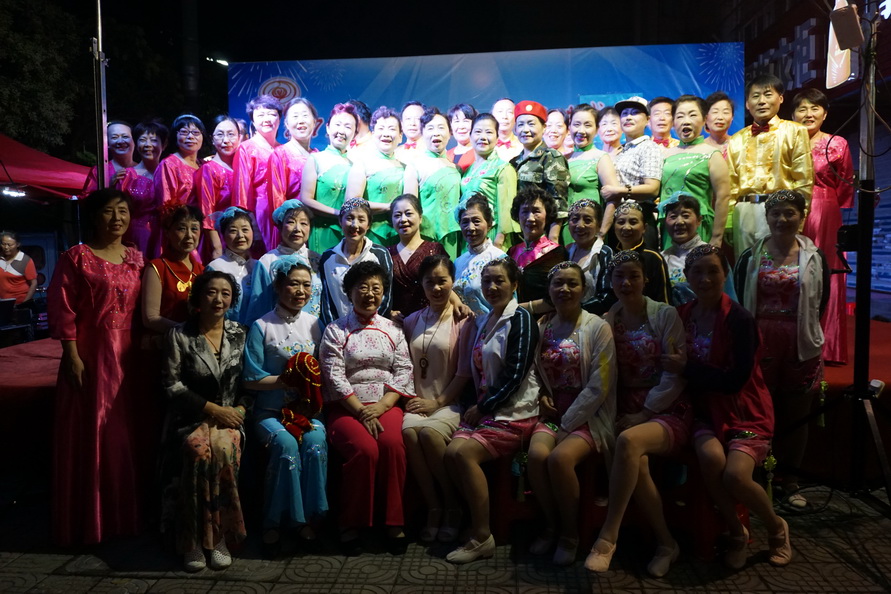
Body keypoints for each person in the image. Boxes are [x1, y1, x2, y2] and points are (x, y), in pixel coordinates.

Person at [676, 244, 792, 569]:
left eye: (713, 270)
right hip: (704, 412)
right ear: (686, 277)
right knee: (710, 457)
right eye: (697, 272)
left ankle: (776, 528)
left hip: (743, 410)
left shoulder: (739, 319)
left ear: (724, 274)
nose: (705, 278)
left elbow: (735, 380)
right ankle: (737, 532)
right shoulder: (682, 315)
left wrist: (686, 368)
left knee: (736, 476)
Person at [48, 188, 145, 545]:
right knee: (95, 432)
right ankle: (92, 520)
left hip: (130, 357)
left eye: (123, 211)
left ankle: (125, 515)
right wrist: (71, 355)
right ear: (94, 216)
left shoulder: (136, 258)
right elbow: (62, 310)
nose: (117, 218)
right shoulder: (76, 257)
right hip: (92, 353)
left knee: (126, 435)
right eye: (108, 211)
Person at [585, 250, 690, 577]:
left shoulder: (665, 315)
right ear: (610, 281)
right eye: (619, 277)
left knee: (629, 441)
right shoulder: (608, 319)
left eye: (634, 276)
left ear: (646, 279)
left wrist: (645, 413)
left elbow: (674, 375)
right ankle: (666, 543)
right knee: (636, 458)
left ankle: (608, 536)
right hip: (624, 407)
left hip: (667, 407)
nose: (626, 283)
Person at [734, 190, 828, 510]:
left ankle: (791, 480)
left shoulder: (815, 256)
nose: (782, 219)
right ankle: (758, 478)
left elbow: (822, 301)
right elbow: (740, 300)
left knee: (796, 414)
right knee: (761, 413)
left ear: (802, 216)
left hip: (799, 342)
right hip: (761, 342)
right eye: (775, 213)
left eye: (789, 213)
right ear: (767, 217)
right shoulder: (750, 255)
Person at [444, 257, 540, 563]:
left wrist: (483, 406)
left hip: (514, 411)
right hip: (485, 409)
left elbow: (515, 374)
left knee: (465, 455)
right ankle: (476, 516)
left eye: (500, 280)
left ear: (514, 285)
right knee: (450, 453)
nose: (492, 287)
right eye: (487, 281)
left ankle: (482, 536)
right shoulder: (484, 320)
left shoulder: (521, 319)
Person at [320, 261, 415, 554]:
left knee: (392, 446)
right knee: (365, 450)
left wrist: (384, 405)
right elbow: (333, 375)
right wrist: (361, 410)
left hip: (386, 404)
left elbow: (404, 369)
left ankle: (393, 521)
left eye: (376, 288)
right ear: (349, 292)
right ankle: (351, 523)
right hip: (347, 407)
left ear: (384, 293)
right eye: (362, 287)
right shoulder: (335, 330)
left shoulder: (393, 329)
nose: (370, 294)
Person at [527, 261, 617, 566]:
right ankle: (551, 524)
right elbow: (534, 370)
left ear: (584, 289)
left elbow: (600, 384)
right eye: (558, 283)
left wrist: (568, 422)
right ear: (549, 289)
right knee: (536, 456)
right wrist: (541, 394)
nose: (564, 289)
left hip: (588, 415)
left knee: (560, 459)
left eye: (572, 284)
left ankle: (570, 533)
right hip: (553, 412)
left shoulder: (598, 327)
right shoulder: (543, 326)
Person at [161, 271, 249, 571]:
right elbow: (171, 385)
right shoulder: (180, 334)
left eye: (226, 293)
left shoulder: (241, 333)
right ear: (198, 296)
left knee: (224, 450)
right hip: (190, 418)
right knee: (198, 451)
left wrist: (240, 410)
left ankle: (220, 537)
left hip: (230, 418)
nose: (218, 299)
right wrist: (213, 410)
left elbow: (248, 383)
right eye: (211, 292)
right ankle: (192, 541)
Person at [243, 259, 327, 555]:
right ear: (278, 287)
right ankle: (273, 522)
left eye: (306, 285)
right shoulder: (262, 326)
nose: (301, 291)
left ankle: (307, 519)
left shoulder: (315, 324)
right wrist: (286, 380)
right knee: (286, 445)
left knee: (316, 442)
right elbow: (251, 378)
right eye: (293, 284)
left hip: (307, 412)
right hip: (270, 414)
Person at [402, 255, 473, 543]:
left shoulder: (463, 320)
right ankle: (434, 506)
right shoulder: (411, 321)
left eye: (442, 281)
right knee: (409, 432)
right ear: (421, 284)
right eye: (429, 282)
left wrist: (438, 402)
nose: (436, 287)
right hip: (418, 402)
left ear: (453, 282)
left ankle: (453, 505)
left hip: (450, 403)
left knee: (429, 434)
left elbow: (464, 372)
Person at [792, 88, 854, 365]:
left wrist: (831, 209)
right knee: (793, 272)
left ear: (825, 114)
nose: (808, 114)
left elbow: (846, 186)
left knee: (828, 273)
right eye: (802, 109)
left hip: (826, 212)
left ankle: (828, 346)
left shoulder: (837, 144)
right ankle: (792, 342)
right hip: (791, 212)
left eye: (814, 108)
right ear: (793, 115)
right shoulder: (786, 142)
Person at [726, 74, 814, 256]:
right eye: (755, 96)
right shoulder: (736, 139)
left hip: (780, 210)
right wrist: (728, 220)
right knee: (746, 265)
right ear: (747, 104)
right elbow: (731, 184)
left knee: (778, 265)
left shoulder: (795, 131)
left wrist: (799, 220)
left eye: (768, 95)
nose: (762, 101)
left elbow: (804, 180)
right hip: (744, 211)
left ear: (780, 98)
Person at [660, 95, 730, 249]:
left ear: (704, 120)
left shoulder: (712, 154)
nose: (686, 121)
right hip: (670, 228)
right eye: (680, 116)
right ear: (673, 122)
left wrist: (717, 237)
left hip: (699, 225)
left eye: (692, 115)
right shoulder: (665, 155)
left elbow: (723, 197)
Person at [318, 199, 394, 326]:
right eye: (349, 218)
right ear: (340, 221)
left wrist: (368, 328)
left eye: (361, 219)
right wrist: (335, 329)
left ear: (368, 224)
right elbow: (326, 301)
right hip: (337, 331)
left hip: (372, 329)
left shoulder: (380, 254)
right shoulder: (328, 257)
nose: (355, 225)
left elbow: (386, 296)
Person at [601, 97, 663, 250]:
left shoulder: (649, 147)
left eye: (635, 113)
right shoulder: (620, 150)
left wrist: (619, 191)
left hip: (638, 220)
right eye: (624, 113)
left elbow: (653, 188)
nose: (628, 117)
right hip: (618, 220)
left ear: (647, 120)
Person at [247, 199, 322, 322]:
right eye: (291, 222)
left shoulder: (318, 260)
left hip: (313, 328)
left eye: (304, 223)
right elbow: (259, 307)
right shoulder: (267, 262)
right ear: (280, 226)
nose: (297, 229)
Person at [403, 107, 462, 258]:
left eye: (441, 127)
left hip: (452, 236)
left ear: (450, 133)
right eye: (430, 128)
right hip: (424, 235)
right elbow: (409, 206)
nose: (436, 132)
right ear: (422, 133)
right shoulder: (414, 165)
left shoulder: (456, 168)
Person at [300, 102, 359, 254]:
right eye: (337, 124)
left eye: (348, 126)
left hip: (349, 232)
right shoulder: (316, 159)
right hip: (322, 230)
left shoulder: (357, 165)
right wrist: (339, 214)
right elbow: (306, 199)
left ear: (355, 133)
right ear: (327, 128)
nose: (341, 131)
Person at [660, 192, 736, 305]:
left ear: (699, 220)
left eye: (686, 216)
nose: (679, 222)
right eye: (673, 216)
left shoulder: (712, 255)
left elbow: (729, 299)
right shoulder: (662, 258)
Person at [510, 100, 570, 242]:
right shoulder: (513, 162)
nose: (525, 129)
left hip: (543, 234)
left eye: (531, 124)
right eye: (521, 124)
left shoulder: (551, 157)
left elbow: (559, 201)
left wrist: (552, 239)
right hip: (520, 234)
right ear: (515, 129)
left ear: (544, 127)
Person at [345, 106, 405, 246]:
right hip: (369, 233)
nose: (386, 133)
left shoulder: (406, 168)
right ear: (373, 134)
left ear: (400, 136)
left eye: (391, 129)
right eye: (381, 128)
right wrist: (390, 207)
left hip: (400, 233)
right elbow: (352, 202)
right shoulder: (362, 163)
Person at [143, 204, 206, 336]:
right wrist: (188, 333)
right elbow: (150, 318)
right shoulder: (157, 267)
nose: (189, 235)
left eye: (194, 228)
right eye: (181, 228)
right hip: (165, 342)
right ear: (167, 232)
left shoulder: (201, 270)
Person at [268, 98, 322, 248]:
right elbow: (277, 199)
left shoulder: (319, 156)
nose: (301, 121)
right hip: (292, 231)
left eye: (305, 115)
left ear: (315, 122)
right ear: (286, 124)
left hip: (317, 228)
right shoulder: (280, 155)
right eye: (295, 116)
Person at [459, 113, 519, 249]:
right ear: (470, 136)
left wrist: (499, 240)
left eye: (489, 132)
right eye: (478, 132)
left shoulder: (503, 168)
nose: (483, 137)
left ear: (497, 138)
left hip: (492, 237)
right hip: (469, 236)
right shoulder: (468, 170)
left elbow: (507, 209)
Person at [232, 94, 283, 252]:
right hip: (259, 215)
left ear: (280, 119)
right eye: (260, 115)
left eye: (272, 114)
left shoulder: (283, 150)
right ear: (253, 121)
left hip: (283, 215)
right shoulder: (246, 148)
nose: (266, 119)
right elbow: (241, 191)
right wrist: (250, 224)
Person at [386, 194, 448, 322]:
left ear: (420, 218)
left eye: (408, 214)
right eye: (397, 215)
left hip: (431, 321)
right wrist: (388, 312)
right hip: (397, 324)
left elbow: (446, 285)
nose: (403, 219)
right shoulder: (385, 253)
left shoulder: (435, 250)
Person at [566, 104, 620, 243]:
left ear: (596, 129)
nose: (581, 130)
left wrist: (601, 233)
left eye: (588, 125)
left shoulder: (601, 158)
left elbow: (614, 199)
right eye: (576, 124)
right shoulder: (564, 159)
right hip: (565, 229)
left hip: (589, 231)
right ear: (569, 127)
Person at [508, 188, 568, 311]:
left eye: (536, 211)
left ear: (547, 215)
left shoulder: (557, 253)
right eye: (525, 211)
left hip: (545, 318)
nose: (530, 218)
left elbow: (558, 296)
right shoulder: (512, 252)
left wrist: (520, 309)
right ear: (517, 216)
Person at [196, 115, 242, 261]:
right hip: (219, 239)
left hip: (242, 236)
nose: (226, 140)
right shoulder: (208, 170)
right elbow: (206, 212)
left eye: (231, 134)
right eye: (220, 135)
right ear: (212, 139)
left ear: (239, 137)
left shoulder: (243, 167)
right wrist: (217, 247)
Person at [453, 195, 507, 316]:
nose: (470, 228)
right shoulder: (458, 262)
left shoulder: (500, 259)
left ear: (489, 224)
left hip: (491, 325)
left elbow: (508, 306)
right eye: (465, 222)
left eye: (476, 221)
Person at [124, 119, 169, 257]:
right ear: (136, 144)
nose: (148, 145)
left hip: (166, 234)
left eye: (154, 140)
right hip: (136, 236)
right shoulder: (127, 176)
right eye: (143, 140)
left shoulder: (170, 173)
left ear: (164, 145)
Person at [612, 200, 670, 303]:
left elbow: (664, 299)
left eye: (633, 222)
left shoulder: (653, 258)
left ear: (644, 228)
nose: (626, 227)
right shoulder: (611, 256)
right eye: (621, 222)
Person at [206, 207, 256, 325]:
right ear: (223, 235)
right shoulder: (216, 268)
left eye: (245, 229)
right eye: (233, 231)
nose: (240, 235)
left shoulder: (259, 266)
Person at [565, 200, 615, 315]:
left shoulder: (604, 253)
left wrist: (575, 311)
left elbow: (607, 296)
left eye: (587, 220)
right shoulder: (566, 251)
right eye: (575, 219)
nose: (580, 225)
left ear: (598, 226)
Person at [155, 114, 204, 208]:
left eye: (196, 132)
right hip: (180, 217)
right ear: (175, 136)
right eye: (184, 132)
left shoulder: (204, 165)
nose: (190, 136)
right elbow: (165, 204)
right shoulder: (169, 164)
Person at [82, 121, 137, 194]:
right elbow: (86, 197)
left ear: (134, 141)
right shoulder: (99, 171)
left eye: (125, 136)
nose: (120, 141)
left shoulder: (144, 170)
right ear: (107, 143)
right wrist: (108, 185)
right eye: (114, 137)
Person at [0, 231, 37, 305]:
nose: (6, 247)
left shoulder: (25, 260)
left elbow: (34, 283)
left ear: (18, 244)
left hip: (19, 303)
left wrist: (24, 303)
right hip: (2, 303)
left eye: (9, 245)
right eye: (3, 244)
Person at [446, 103, 478, 173]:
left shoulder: (481, 153)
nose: (461, 126)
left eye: (466, 121)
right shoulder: (446, 155)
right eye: (456, 121)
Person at [704, 91, 735, 158]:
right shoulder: (698, 148)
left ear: (732, 117)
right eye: (715, 112)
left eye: (725, 112)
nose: (720, 117)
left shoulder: (738, 145)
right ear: (705, 118)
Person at [492, 97, 522, 161]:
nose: (505, 116)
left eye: (510, 112)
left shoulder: (523, 145)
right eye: (500, 111)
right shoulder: (485, 145)